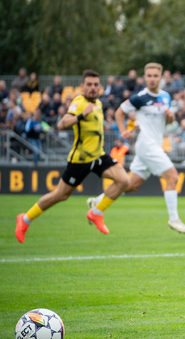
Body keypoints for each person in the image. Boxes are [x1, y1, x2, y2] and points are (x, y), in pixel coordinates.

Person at [15, 70, 129, 243]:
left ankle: (96, 213)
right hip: (80, 160)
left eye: (95, 85)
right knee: (60, 195)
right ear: (82, 87)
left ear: (100, 87)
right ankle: (24, 219)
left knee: (124, 180)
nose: (92, 88)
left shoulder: (98, 103)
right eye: (89, 85)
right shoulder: (79, 102)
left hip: (98, 156)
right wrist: (81, 115)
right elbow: (62, 124)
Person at [88, 63, 185, 234]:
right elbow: (119, 113)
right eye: (148, 75)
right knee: (172, 176)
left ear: (160, 78)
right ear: (145, 77)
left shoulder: (165, 97)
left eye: (155, 76)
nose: (151, 79)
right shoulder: (139, 97)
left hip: (153, 145)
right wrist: (122, 132)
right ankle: (174, 220)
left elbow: (167, 123)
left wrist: (171, 118)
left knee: (130, 185)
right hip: (146, 144)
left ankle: (97, 205)